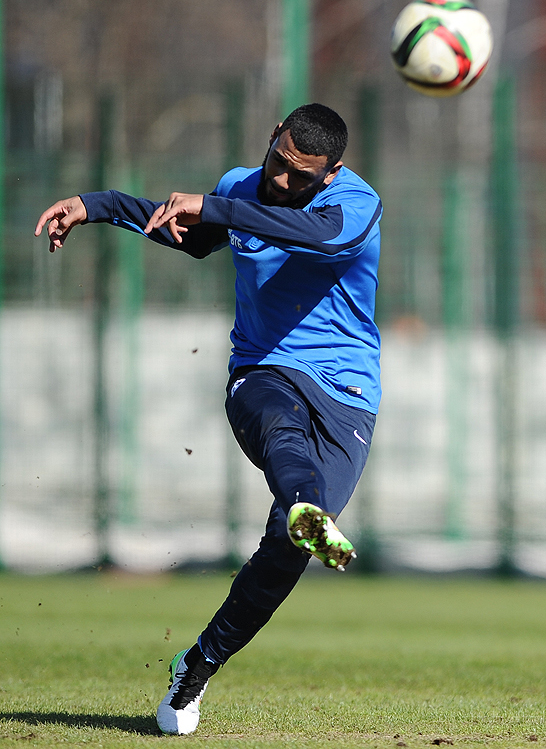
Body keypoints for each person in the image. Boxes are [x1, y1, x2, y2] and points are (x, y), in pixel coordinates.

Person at [35, 103, 383, 735]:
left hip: (348, 396)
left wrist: (218, 208)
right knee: (282, 432)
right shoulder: (237, 188)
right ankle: (306, 507)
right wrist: (99, 205)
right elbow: (188, 232)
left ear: (330, 174)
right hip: (263, 370)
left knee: (285, 552)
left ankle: (196, 664)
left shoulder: (355, 205)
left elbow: (312, 235)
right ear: (272, 136)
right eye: (278, 162)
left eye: (301, 176)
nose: (282, 180)